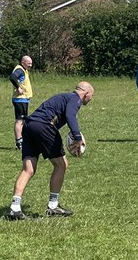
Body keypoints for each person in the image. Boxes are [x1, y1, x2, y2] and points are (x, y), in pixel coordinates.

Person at [8, 82, 94, 220]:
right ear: (86, 93)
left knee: (28, 170)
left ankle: (15, 208)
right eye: (92, 96)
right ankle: (53, 206)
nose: (91, 99)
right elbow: (70, 116)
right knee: (61, 165)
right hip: (44, 126)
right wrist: (77, 137)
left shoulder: (64, 97)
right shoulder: (75, 99)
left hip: (29, 126)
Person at [10, 55, 33, 149]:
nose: (31, 65)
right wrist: (18, 88)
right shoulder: (19, 69)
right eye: (29, 63)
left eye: (31, 63)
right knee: (19, 120)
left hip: (24, 99)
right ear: (23, 62)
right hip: (19, 99)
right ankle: (19, 143)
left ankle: (23, 141)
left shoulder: (24, 70)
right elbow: (12, 77)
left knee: (23, 120)